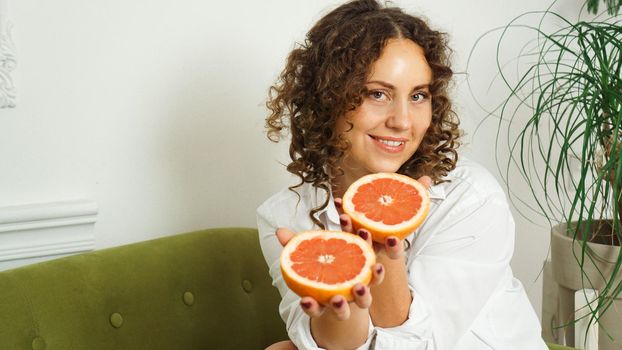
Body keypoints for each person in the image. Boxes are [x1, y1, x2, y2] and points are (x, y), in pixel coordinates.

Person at [257, 0, 547, 349]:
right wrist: (336, 310)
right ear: (327, 98)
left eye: (418, 95)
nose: (403, 121)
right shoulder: (285, 217)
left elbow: (417, 346)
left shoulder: (470, 198)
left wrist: (384, 254)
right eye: (378, 94)